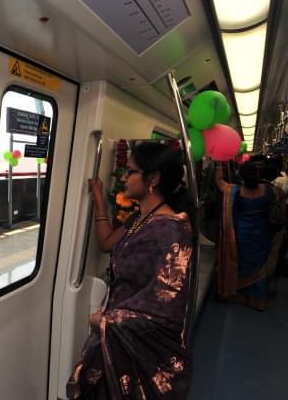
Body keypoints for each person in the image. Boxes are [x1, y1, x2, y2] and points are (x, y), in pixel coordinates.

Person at [67, 142, 193, 399]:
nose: (124, 178)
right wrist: (98, 199)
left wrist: (107, 321)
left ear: (153, 179)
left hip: (134, 343)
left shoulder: (172, 232)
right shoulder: (141, 219)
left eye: (131, 171)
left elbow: (166, 303)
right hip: (115, 335)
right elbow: (106, 244)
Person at [215, 161, 279, 311]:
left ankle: (240, 294)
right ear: (258, 174)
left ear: (241, 175)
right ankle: (259, 301)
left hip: (242, 233)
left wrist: (219, 164)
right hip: (262, 232)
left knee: (243, 264)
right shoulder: (269, 190)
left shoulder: (234, 190)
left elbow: (218, 182)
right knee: (259, 266)